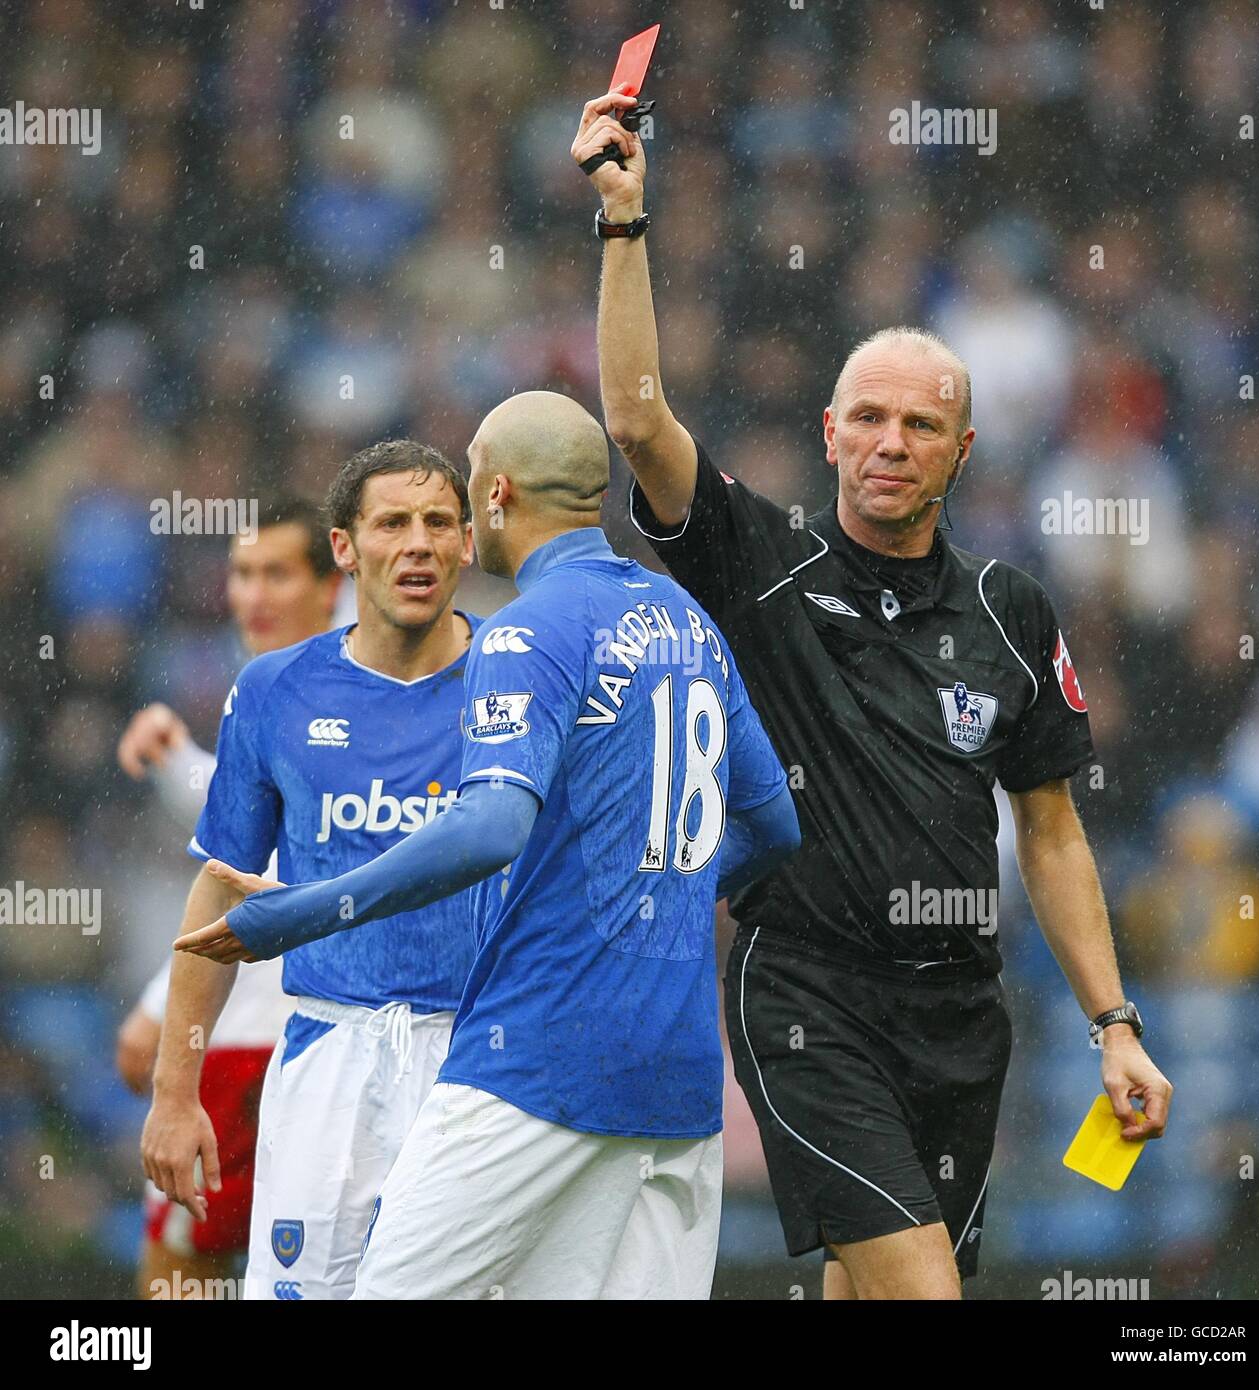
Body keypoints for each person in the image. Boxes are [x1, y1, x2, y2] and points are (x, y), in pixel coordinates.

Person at [571, 89, 1173, 1301]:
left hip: (961, 1008)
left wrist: (1116, 1021)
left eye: (920, 424)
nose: (891, 442)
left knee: (874, 1289)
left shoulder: (1012, 611)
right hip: (805, 991)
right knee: (919, 1291)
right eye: (870, 419)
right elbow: (636, 419)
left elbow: (1051, 833)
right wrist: (625, 222)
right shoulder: (762, 561)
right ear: (830, 432)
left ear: (963, 451)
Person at [177, 391, 800, 1300]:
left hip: (537, 1060)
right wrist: (640, 895)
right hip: (676, 1082)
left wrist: (295, 915)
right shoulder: (684, 616)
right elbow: (775, 823)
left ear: (495, 494)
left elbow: (490, 826)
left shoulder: (525, 630)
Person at [142, 441, 480, 1301]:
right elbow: (221, 884)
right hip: (329, 1048)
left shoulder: (520, 680)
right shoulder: (273, 691)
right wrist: (176, 1095)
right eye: (392, 523)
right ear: (344, 547)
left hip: (480, 1058)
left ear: (469, 544)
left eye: (439, 521)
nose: (418, 544)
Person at [117, 495, 340, 1298]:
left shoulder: (349, 688)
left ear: (333, 580)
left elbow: (273, 866)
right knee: (184, 1279)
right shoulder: (266, 691)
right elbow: (244, 830)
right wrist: (179, 757)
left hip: (299, 1045)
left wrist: (157, 1005)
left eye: (276, 573)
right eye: (242, 574)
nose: (253, 595)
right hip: (242, 1044)